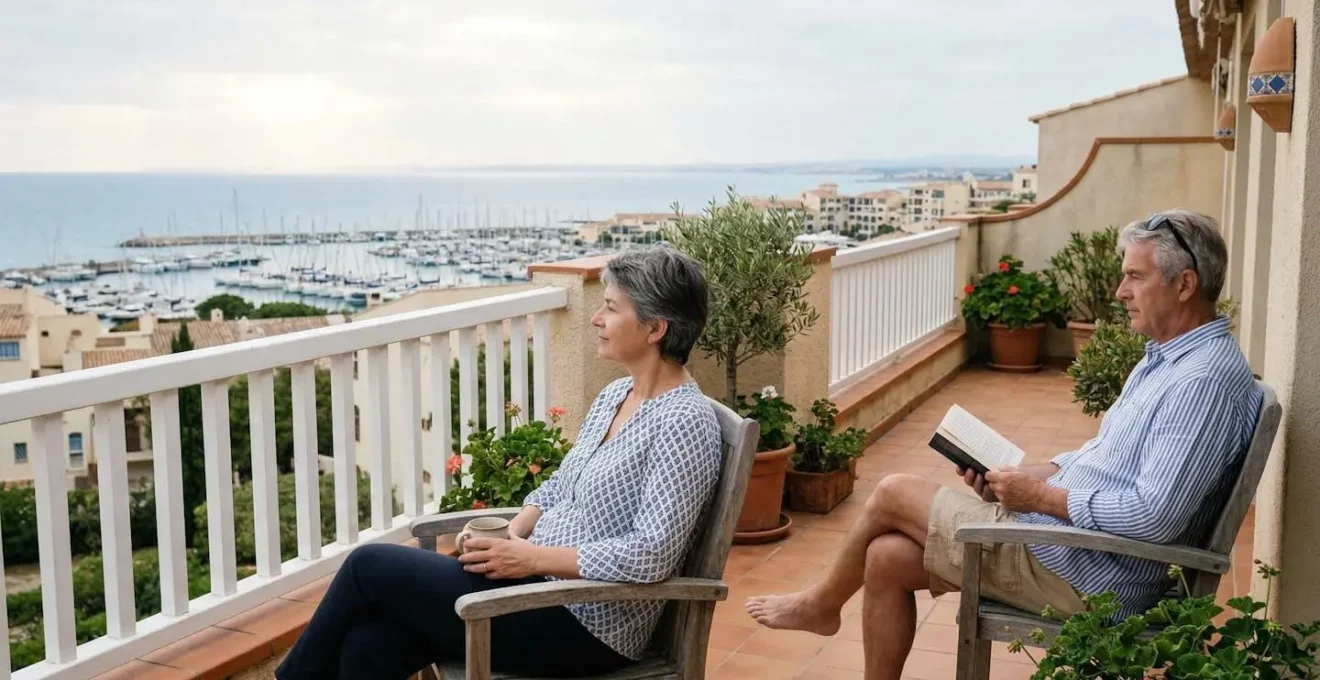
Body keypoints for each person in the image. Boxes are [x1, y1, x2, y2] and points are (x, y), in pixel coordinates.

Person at [745, 209, 1263, 680]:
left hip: (1093, 577)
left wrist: (1039, 499)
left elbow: (1156, 518)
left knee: (893, 492)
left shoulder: (1202, 381)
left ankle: (819, 605)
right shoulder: (1167, 358)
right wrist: (1015, 478)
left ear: (1185, 285)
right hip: (1067, 548)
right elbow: (1102, 465)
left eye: (1135, 276)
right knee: (883, 557)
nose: (1120, 291)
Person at [277, 247, 723, 679]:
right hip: (532, 588)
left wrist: (529, 558)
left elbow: (651, 554)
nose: (596, 318)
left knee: (366, 565)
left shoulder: (685, 421)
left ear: (655, 329)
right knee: (368, 646)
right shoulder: (615, 396)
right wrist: (513, 531)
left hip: (586, 623)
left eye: (611, 308)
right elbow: (559, 487)